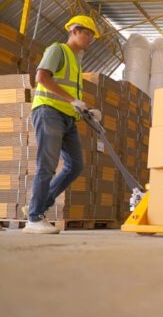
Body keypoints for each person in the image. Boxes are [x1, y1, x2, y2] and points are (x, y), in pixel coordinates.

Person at [22, 15, 101, 234]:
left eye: (92, 36)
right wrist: (72, 100)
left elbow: (69, 91)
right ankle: (34, 219)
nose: (90, 40)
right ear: (74, 31)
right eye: (87, 34)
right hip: (49, 111)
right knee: (47, 165)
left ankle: (38, 205)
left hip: (68, 117)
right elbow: (42, 78)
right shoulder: (57, 49)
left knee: (75, 165)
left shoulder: (77, 61)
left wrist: (84, 108)